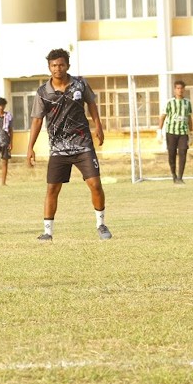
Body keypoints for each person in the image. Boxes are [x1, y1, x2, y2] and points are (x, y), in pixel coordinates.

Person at [26, 48, 112, 242]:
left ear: (68, 66)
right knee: (52, 189)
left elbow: (91, 104)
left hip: (83, 145)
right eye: (54, 65)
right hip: (58, 149)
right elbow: (37, 121)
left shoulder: (80, 84)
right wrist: (30, 147)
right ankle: (48, 232)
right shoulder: (43, 92)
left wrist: (98, 125)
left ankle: (101, 224)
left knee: (95, 185)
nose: (58, 68)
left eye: (61, 65)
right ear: (49, 68)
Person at [158, 80, 193, 184]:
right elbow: (163, 116)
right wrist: (159, 131)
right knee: (171, 154)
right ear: (174, 90)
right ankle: (173, 175)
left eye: (182, 88)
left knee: (183, 152)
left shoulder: (187, 103)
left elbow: (189, 118)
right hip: (171, 132)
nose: (180, 90)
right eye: (178, 88)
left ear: (184, 90)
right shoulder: (170, 102)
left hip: (183, 132)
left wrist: (191, 133)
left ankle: (180, 177)